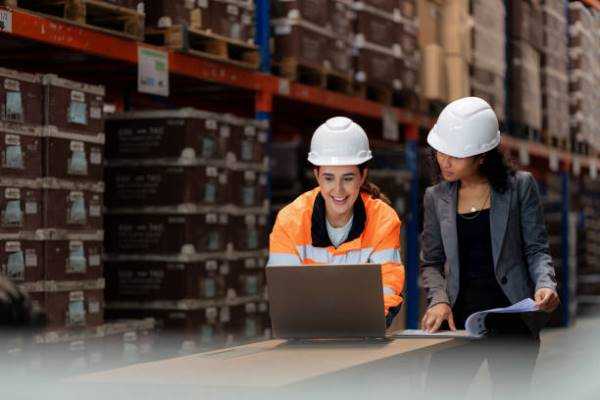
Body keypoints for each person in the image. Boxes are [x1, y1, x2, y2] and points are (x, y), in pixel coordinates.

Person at [419, 96, 559, 397]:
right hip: (457, 320)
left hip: (512, 317)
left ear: (481, 156)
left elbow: (536, 249)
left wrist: (545, 284)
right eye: (441, 151)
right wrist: (439, 300)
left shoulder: (520, 187)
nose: (444, 161)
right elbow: (431, 262)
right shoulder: (435, 197)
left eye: (456, 155)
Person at [267, 116, 405, 326]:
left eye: (348, 178)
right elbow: (284, 296)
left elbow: (388, 288)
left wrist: (368, 323)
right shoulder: (290, 221)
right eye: (329, 178)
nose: (338, 190)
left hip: (363, 330)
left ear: (362, 176)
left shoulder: (382, 220)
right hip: (306, 332)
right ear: (317, 176)